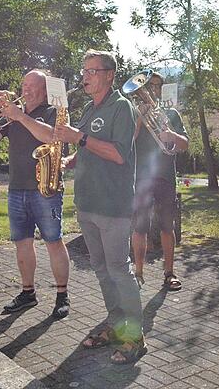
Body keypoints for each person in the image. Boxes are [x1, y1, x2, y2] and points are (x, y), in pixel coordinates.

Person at [54, 50, 146, 365]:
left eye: (92, 71)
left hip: (113, 205)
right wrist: (68, 160)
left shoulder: (122, 107)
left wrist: (78, 139)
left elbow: (119, 154)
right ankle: (116, 325)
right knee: (101, 269)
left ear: (109, 74)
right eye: (85, 70)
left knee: (120, 271)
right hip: (88, 203)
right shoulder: (89, 108)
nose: (85, 76)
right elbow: (88, 148)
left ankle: (135, 337)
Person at [0, 69, 71, 318]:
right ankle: (28, 292)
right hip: (17, 188)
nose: (26, 89)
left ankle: (62, 294)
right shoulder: (13, 114)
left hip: (46, 189)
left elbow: (53, 138)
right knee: (22, 242)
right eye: (24, 84)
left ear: (44, 91)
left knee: (54, 242)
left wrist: (20, 116)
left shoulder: (53, 111)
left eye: (33, 85)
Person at [131, 71, 188, 291]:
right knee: (140, 227)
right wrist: (138, 120)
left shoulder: (171, 113)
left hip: (165, 177)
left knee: (167, 226)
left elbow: (184, 144)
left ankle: (169, 272)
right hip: (142, 177)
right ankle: (138, 272)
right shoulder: (135, 112)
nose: (151, 91)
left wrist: (172, 136)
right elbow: (127, 142)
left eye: (156, 86)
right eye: (148, 87)